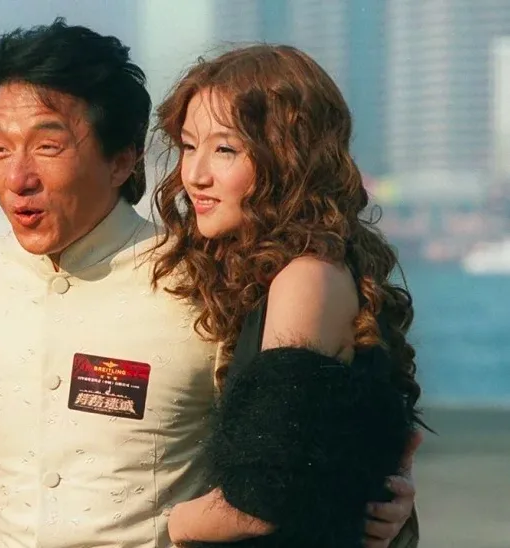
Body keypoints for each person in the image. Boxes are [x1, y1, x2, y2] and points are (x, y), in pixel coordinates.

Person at [0, 19, 416, 548]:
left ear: (123, 160)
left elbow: (300, 446)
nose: (17, 179)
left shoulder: (207, 280)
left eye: (48, 147)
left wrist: (384, 503)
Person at [150, 44, 424, 547]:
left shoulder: (306, 278)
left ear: (289, 157)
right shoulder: (287, 271)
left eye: (225, 150)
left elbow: (260, 500)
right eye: (189, 146)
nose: (195, 175)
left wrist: (174, 526)